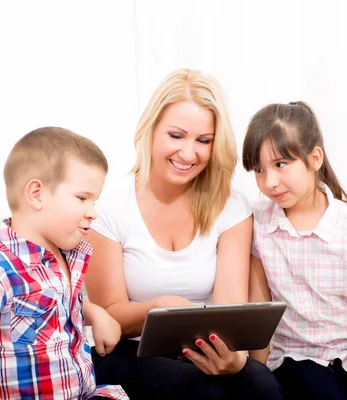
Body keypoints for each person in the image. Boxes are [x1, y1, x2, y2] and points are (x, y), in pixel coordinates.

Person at [84, 69, 283, 400]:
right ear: (151, 131)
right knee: (203, 391)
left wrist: (234, 361)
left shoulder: (231, 206)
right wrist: (160, 307)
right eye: (176, 136)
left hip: (206, 351)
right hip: (129, 353)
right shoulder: (109, 206)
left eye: (203, 141)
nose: (189, 154)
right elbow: (109, 317)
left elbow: (230, 312)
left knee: (261, 384)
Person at [0, 127, 128, 399]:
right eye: (83, 198)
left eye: (95, 201)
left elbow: (52, 307)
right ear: (36, 194)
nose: (93, 212)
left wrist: (96, 314)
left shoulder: (63, 259)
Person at [242, 101, 347, 399]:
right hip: (296, 358)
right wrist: (256, 382)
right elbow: (260, 315)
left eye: (281, 164)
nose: (269, 182)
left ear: (315, 158)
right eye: (259, 169)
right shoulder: (257, 223)